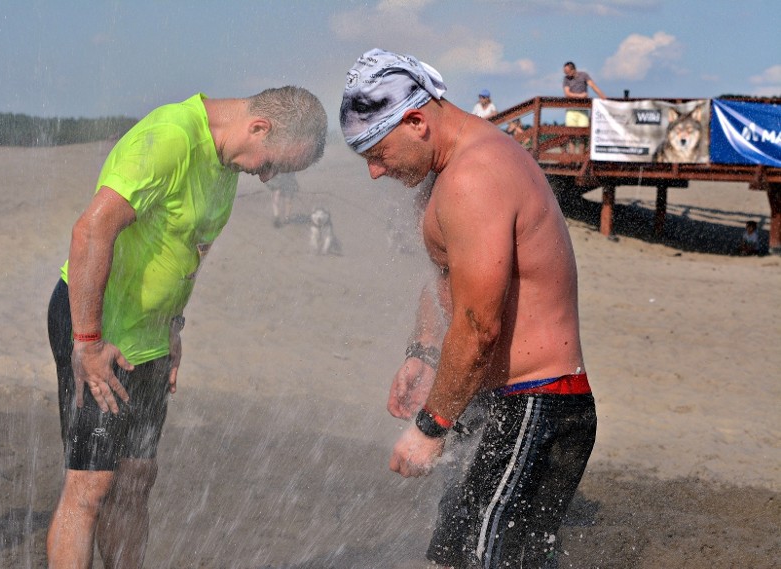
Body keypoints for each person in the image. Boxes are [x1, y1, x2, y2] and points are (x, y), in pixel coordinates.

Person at [46, 87, 327, 568]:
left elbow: (192, 247)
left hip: (151, 337)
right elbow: (91, 231)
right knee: (90, 487)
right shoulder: (172, 137)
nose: (266, 176)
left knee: (136, 479)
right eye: (271, 163)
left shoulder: (226, 163)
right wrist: (88, 344)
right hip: (100, 330)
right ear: (260, 128)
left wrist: (173, 328)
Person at [341, 48, 597, 568]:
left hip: (537, 404)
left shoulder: (475, 177)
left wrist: (431, 426)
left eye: (376, 151)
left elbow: (480, 325)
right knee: (466, 553)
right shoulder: (448, 172)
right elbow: (447, 282)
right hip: (506, 399)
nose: (373, 171)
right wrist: (423, 351)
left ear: (415, 122)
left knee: (467, 562)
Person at [562, 61, 606, 155]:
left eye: (567, 71)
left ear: (573, 69)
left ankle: (581, 158)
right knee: (571, 135)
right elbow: (567, 93)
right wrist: (581, 96)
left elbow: (592, 85)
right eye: (565, 72)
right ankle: (572, 159)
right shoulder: (566, 79)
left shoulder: (584, 75)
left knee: (582, 135)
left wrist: (603, 97)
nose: (566, 74)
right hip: (571, 109)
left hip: (583, 110)